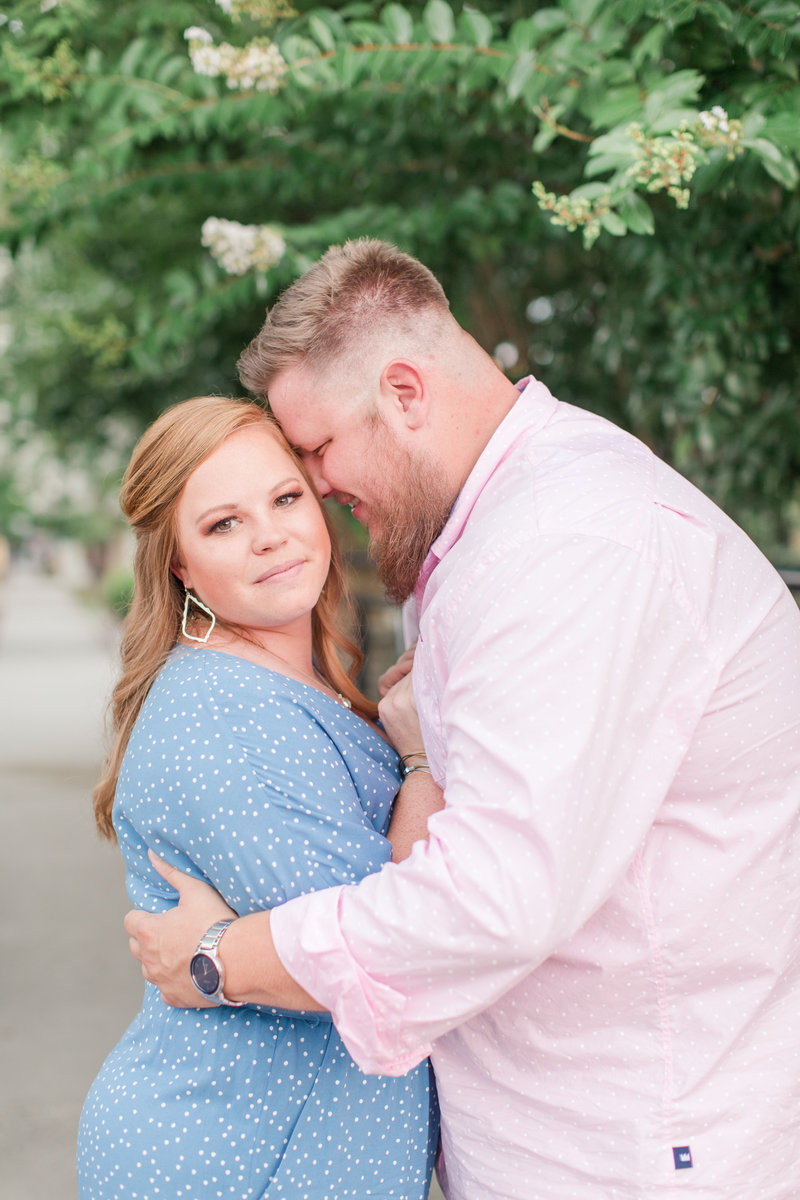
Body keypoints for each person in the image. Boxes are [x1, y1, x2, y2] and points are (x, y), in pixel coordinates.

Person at [126, 243, 800, 1200]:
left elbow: (491, 896)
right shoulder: (504, 528)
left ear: (403, 394)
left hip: (634, 1153)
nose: (316, 487)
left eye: (316, 449)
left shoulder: (565, 549)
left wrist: (221, 958)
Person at [77, 395, 440, 1199]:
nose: (270, 535)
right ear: (179, 565)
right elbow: (383, 952)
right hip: (241, 1157)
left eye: (284, 498)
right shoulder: (223, 711)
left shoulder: (288, 680)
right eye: (223, 524)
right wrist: (417, 759)